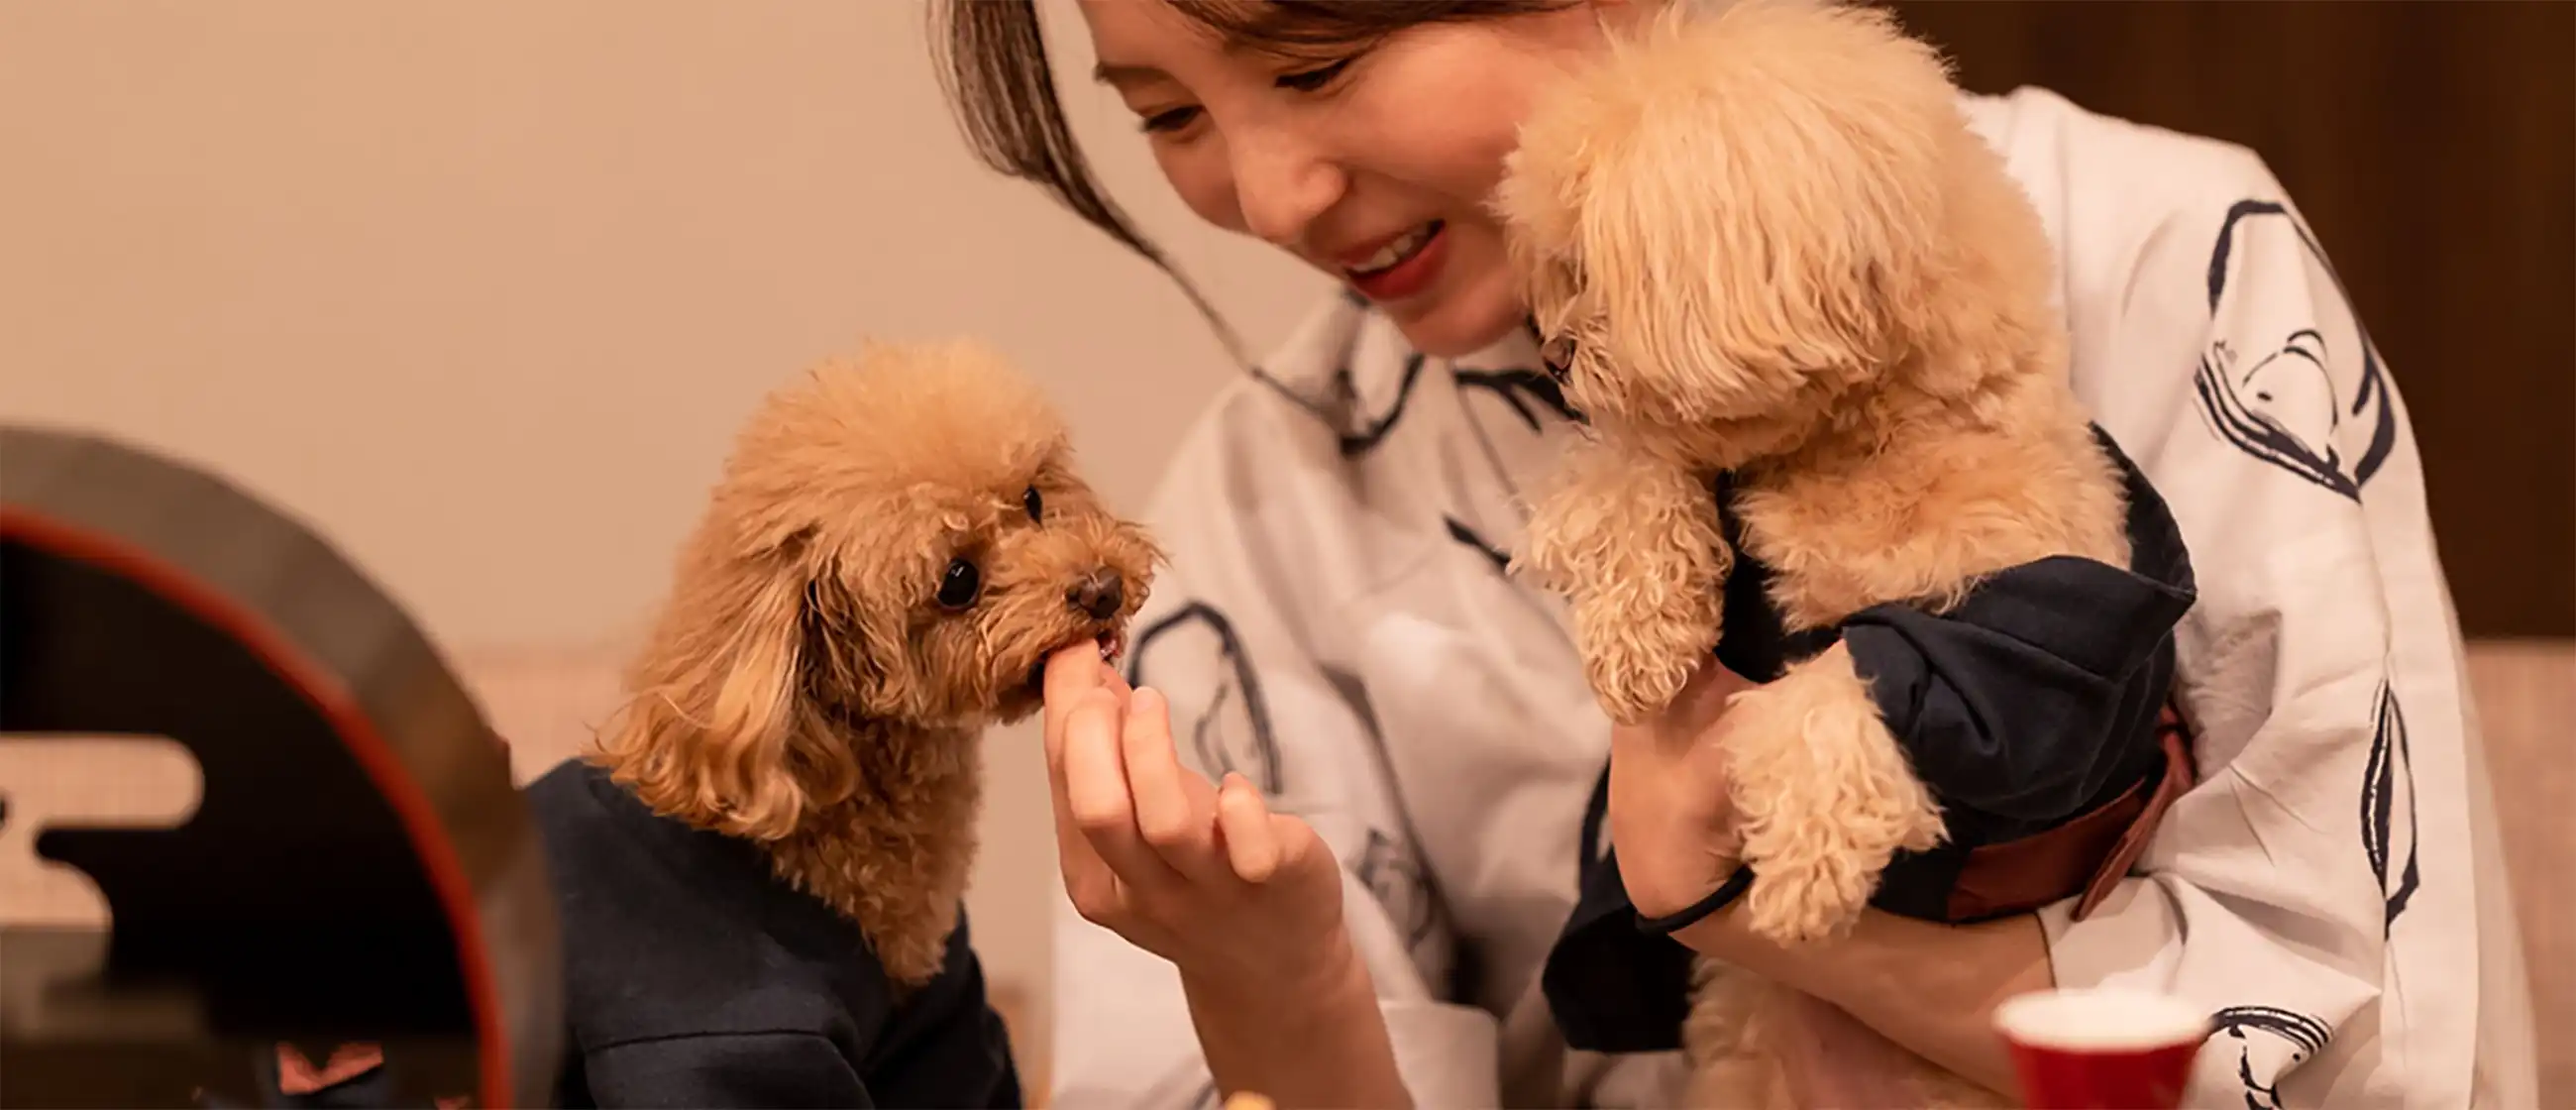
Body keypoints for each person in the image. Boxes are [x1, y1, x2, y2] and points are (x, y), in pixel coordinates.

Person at [932, 1, 2540, 1107]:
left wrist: (1742, 906)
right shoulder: (1278, 480)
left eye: (1326, 59)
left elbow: (2365, 1025)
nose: (1273, 196)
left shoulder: (2161, 255)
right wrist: (1281, 985)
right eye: (1165, 115)